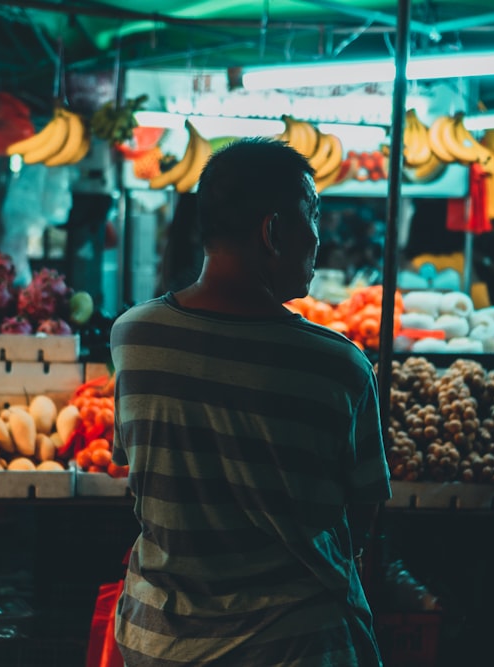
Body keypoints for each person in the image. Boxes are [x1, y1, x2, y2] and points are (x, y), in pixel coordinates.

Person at [109, 137, 392, 666]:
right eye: (313, 215)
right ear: (273, 231)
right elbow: (362, 514)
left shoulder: (134, 338)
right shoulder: (340, 366)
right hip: (296, 646)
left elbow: (131, 462)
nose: (318, 237)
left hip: (160, 641)